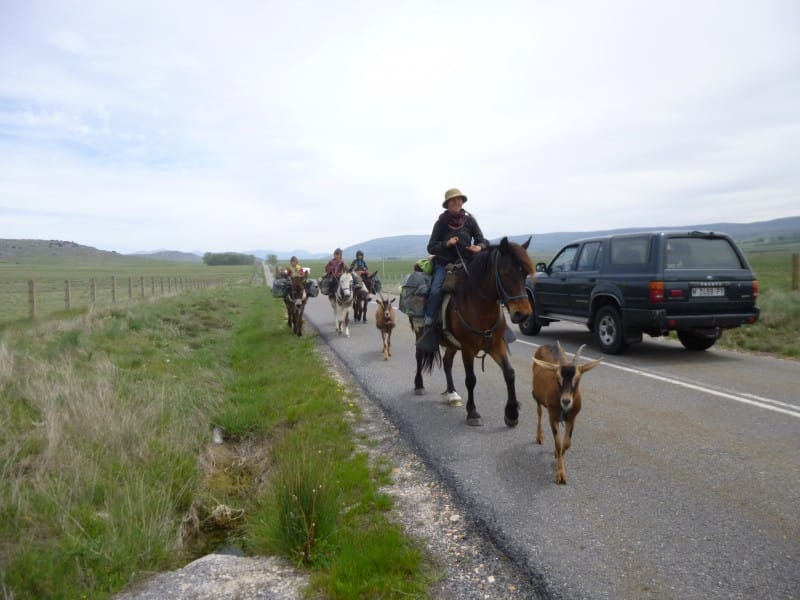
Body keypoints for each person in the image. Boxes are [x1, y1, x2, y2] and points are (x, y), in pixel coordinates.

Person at [417, 187, 488, 351]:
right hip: (445, 265)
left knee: (487, 286)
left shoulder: (470, 221)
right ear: (447, 204)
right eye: (454, 200)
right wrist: (446, 244)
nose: (457, 202)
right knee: (435, 291)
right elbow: (431, 247)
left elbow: (482, 240)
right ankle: (428, 326)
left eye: (460, 199)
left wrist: (480, 247)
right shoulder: (441, 223)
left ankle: (497, 326)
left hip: (468, 264)